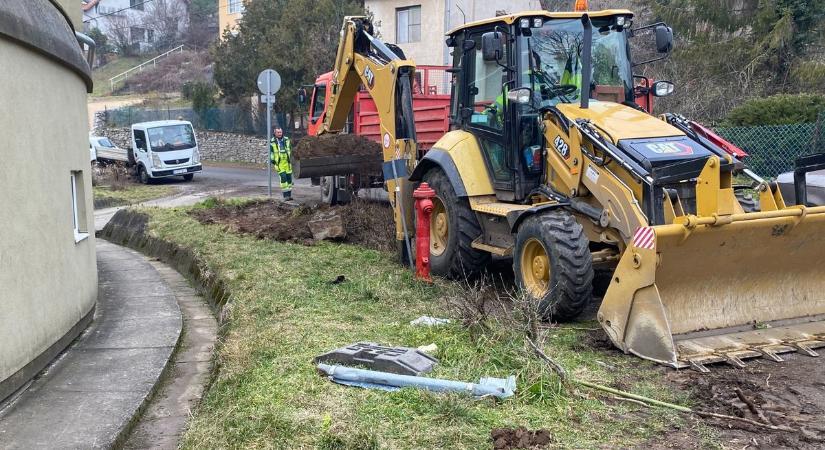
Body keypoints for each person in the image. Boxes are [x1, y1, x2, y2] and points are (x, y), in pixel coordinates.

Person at [270, 127, 293, 200]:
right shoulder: (272, 141)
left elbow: (290, 149)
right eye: (278, 132)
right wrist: (272, 160)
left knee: (289, 179)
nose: (280, 134)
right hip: (279, 163)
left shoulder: (286, 139)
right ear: (275, 133)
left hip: (288, 162)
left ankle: (289, 195)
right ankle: (285, 196)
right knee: (283, 178)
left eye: (280, 132)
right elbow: (271, 152)